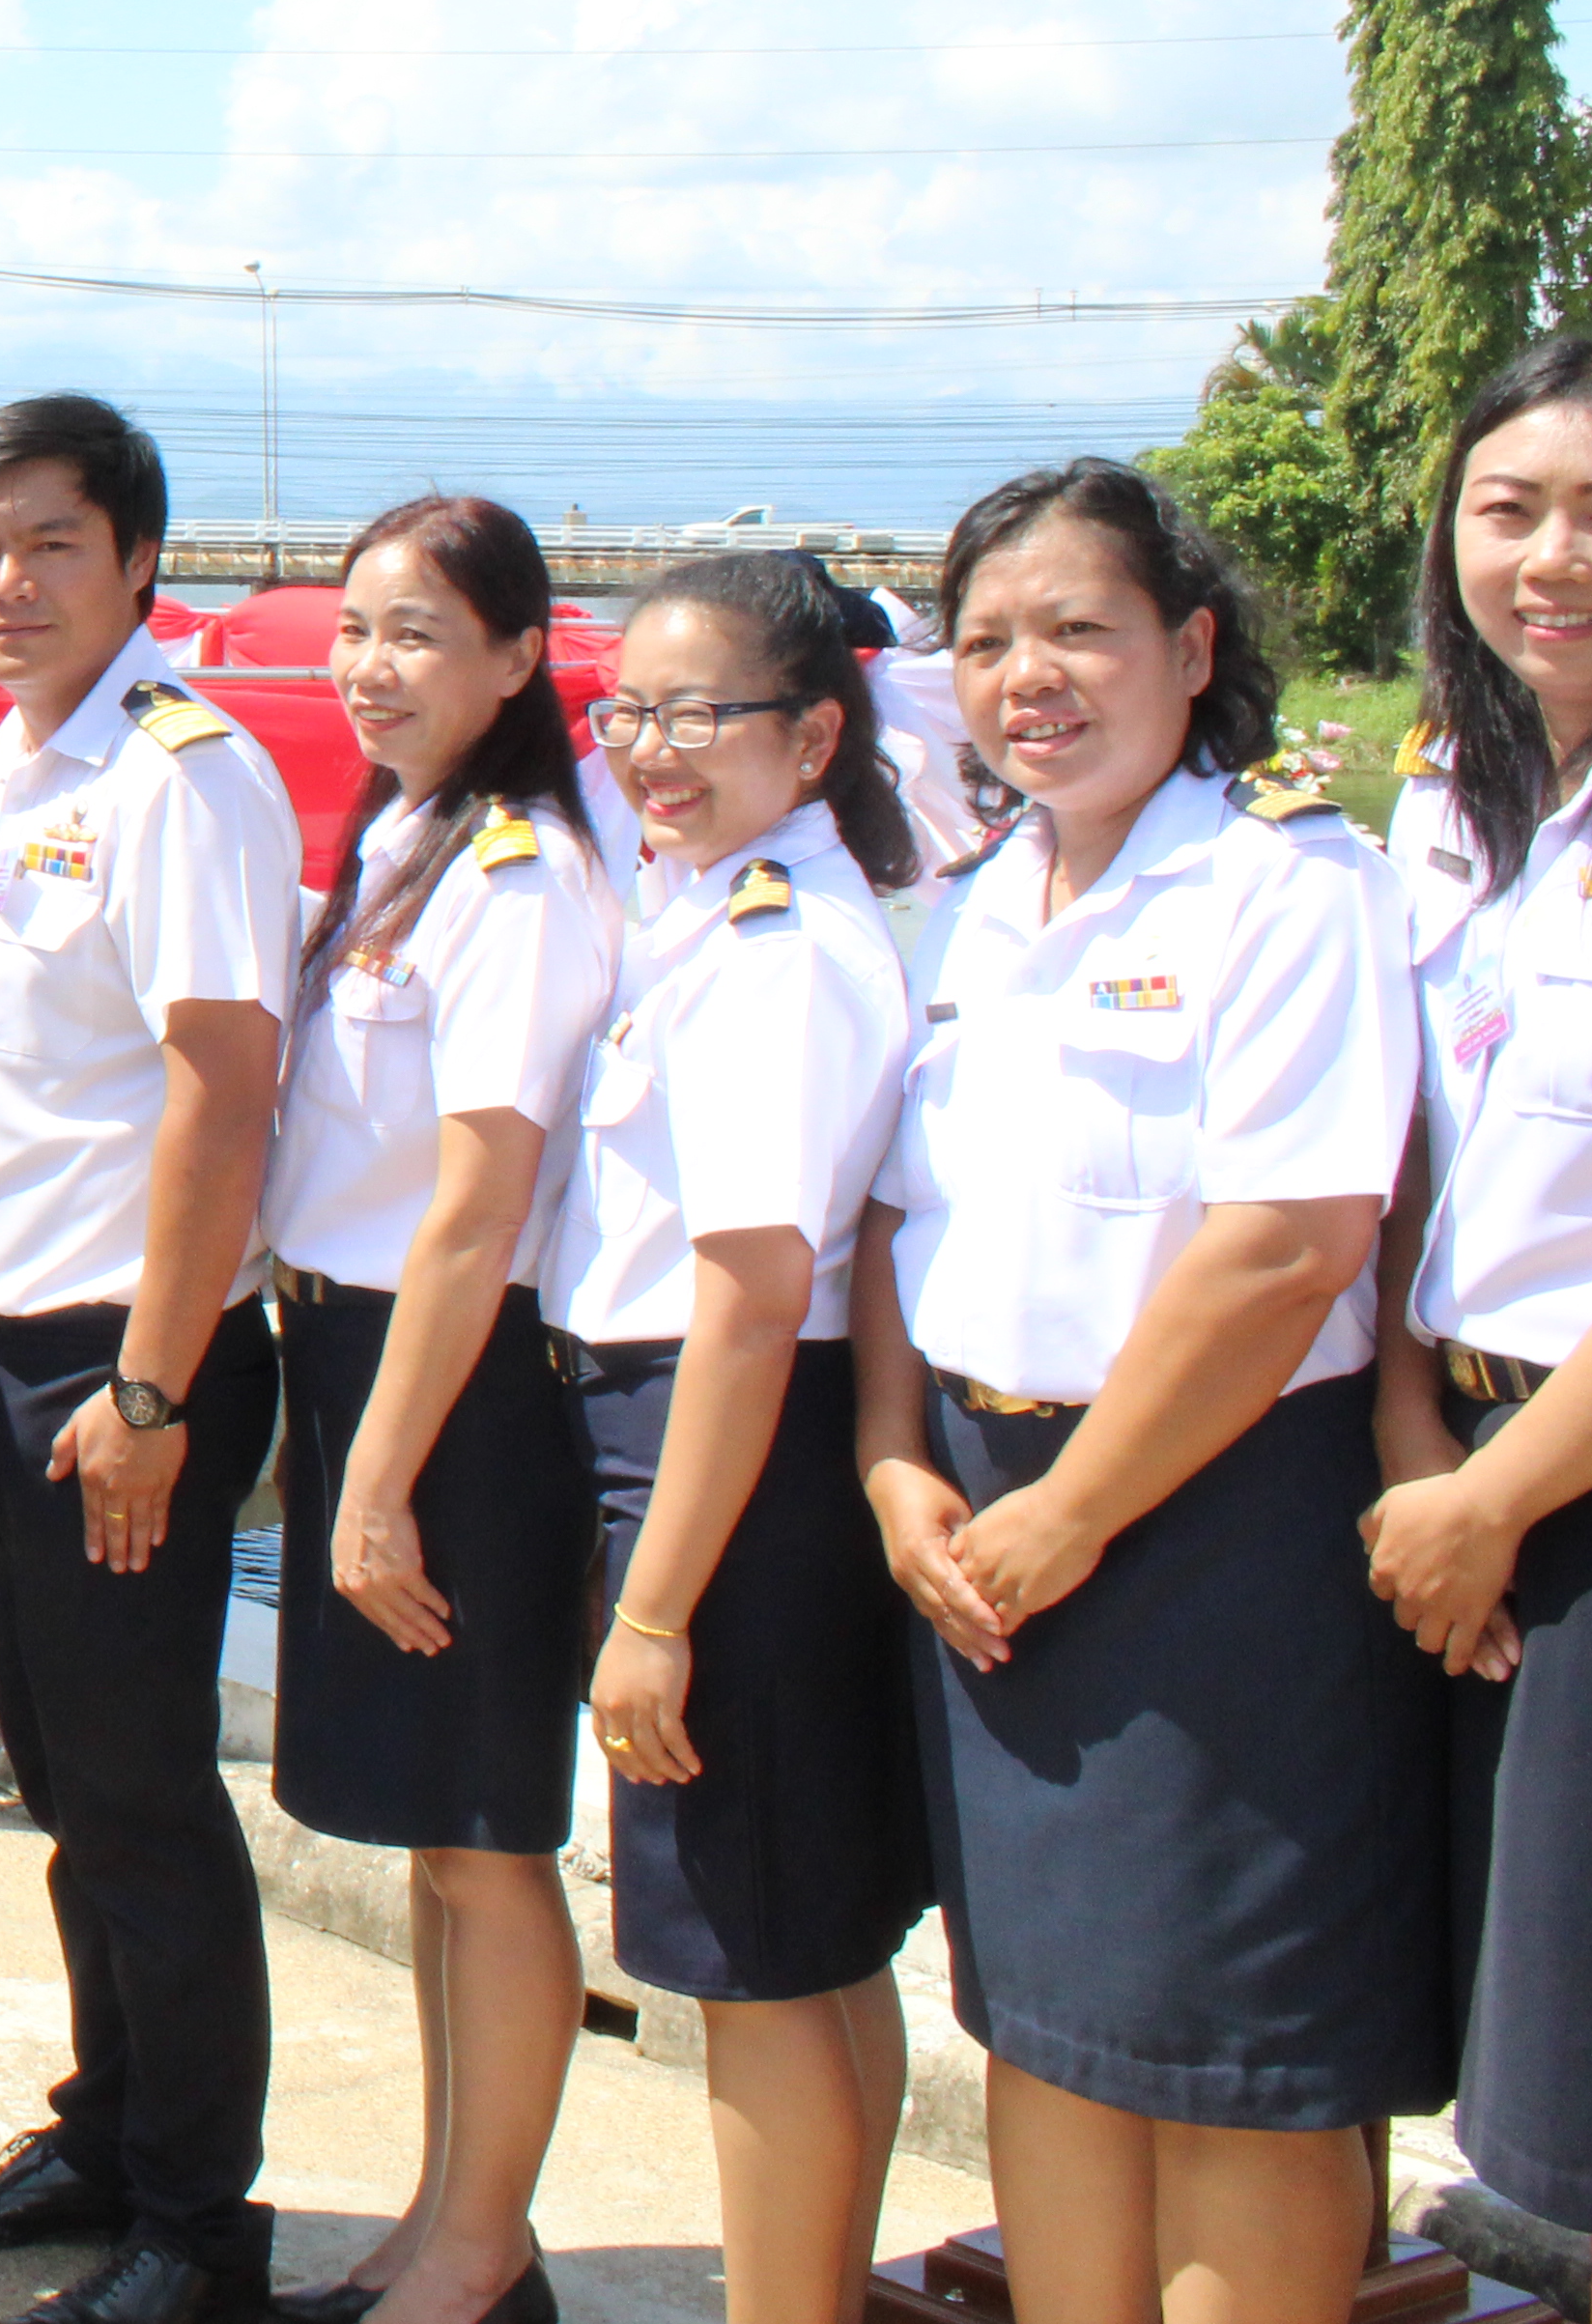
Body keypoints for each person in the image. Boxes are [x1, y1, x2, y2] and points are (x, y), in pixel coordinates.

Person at [863, 462, 1438, 2324]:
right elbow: (898, 1224)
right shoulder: (965, 909)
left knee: (1233, 2068)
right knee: (1044, 2024)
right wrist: (896, 1468)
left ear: (1191, 650)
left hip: (1204, 1534)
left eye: (1080, 630)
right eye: (987, 641)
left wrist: (1075, 1511)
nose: (1031, 675)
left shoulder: (1289, 887)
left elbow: (1287, 1249)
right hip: (987, 1524)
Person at [0, 394, 299, 2324]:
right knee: (69, 1781)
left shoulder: (178, 776)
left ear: (139, 561)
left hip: (118, 1373)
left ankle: (201, 2228)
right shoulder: (6, 761)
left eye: (50, 544)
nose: (7, 583)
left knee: (141, 1798)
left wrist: (150, 1390)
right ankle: (107, 2135)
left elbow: (225, 1091)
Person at [535, 556, 929, 2324]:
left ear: (818, 731)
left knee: (753, 1967)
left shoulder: (775, 952)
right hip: (729, 1450)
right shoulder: (715, 909)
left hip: (721, 1466)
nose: (653, 752)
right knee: (809, 1947)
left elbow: (753, 1302)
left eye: (704, 715)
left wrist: (654, 1610)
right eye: (628, 711)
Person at [249, 500, 617, 2324]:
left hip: (457, 1395)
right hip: (361, 1362)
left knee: (488, 1837)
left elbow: (477, 1210)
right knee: (431, 1847)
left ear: (518, 654)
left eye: (414, 633)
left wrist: (380, 1479)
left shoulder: (526, 875)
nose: (369, 667)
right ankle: (441, 2218)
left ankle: (482, 2254)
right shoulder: (408, 838)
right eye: (354, 631)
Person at [1372, 337, 1592, 2241]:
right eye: (1510, 511)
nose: (1549, 556)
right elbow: (1433, 1171)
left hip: (1549, 1481)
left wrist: (1490, 1500)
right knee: (1534, 2057)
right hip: (1473, 1460)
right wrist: (1417, 1444)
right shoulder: (1493, 818)